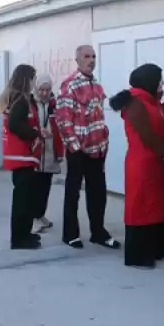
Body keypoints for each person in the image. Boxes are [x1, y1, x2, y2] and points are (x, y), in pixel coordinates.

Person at [56, 45, 120, 250]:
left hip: (97, 149)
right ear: (77, 60)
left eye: (93, 56)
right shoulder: (70, 85)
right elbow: (63, 119)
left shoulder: (97, 86)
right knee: (73, 192)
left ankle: (98, 232)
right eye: (86, 56)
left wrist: (104, 141)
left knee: (98, 192)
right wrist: (74, 147)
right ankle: (70, 234)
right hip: (79, 150)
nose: (91, 60)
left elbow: (98, 115)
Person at [110, 64, 164, 269]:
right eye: (159, 79)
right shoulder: (136, 103)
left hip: (154, 161)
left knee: (155, 206)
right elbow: (148, 135)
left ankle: (155, 249)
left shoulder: (151, 101)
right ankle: (138, 255)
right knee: (140, 208)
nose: (162, 83)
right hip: (143, 162)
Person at [0, 64, 44, 250]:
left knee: (25, 198)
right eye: (33, 78)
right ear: (27, 79)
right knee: (22, 200)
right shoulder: (21, 100)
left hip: (21, 156)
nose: (35, 82)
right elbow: (15, 124)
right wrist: (35, 134)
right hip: (22, 156)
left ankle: (24, 233)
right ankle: (19, 238)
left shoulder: (18, 98)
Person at [31, 73, 64, 234]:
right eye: (41, 89)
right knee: (34, 187)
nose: (44, 93)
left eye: (47, 89)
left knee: (45, 186)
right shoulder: (30, 104)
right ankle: (33, 217)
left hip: (50, 151)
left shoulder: (53, 104)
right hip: (35, 151)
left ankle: (40, 214)